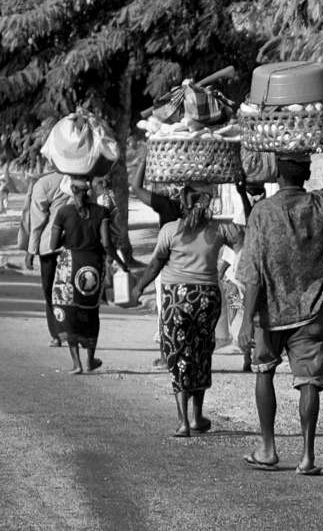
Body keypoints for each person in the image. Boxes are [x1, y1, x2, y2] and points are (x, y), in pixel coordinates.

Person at [237, 147, 323, 475]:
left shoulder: (262, 211)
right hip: (310, 311)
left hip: (269, 313)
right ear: (306, 173)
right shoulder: (319, 204)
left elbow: (253, 272)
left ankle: (269, 449)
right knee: (309, 382)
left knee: (264, 373)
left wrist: (246, 321)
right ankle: (307, 457)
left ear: (276, 172)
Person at [132, 186, 244, 437]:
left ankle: (182, 421)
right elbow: (242, 239)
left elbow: (154, 265)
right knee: (201, 353)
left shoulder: (170, 231)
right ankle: (197, 417)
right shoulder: (218, 229)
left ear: (181, 205)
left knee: (178, 355)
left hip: (176, 300)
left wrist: (139, 288)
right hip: (206, 299)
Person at [50, 177, 129, 373]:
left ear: (71, 191)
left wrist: (67, 234)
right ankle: (89, 361)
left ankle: (76, 363)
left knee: (69, 311)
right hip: (93, 267)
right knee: (91, 312)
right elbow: (107, 245)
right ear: (89, 191)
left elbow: (53, 245)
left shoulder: (63, 212)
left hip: (69, 267)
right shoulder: (101, 212)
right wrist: (121, 264)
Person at [131, 158, 183, 369]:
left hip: (170, 269)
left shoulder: (166, 205)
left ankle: (165, 357)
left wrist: (145, 158)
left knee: (166, 311)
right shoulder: (203, 208)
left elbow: (135, 187)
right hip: (198, 269)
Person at [219, 170, 266, 372]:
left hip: (242, 274)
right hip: (255, 273)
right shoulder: (268, 212)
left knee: (243, 315)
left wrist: (221, 271)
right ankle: (253, 354)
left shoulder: (247, 216)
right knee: (254, 315)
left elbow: (232, 249)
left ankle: (249, 354)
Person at [26, 163, 71, 347]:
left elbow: (37, 220)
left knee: (50, 291)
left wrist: (31, 250)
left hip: (48, 247)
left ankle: (57, 334)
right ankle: (71, 331)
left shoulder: (44, 184)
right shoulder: (81, 181)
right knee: (70, 290)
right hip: (75, 244)